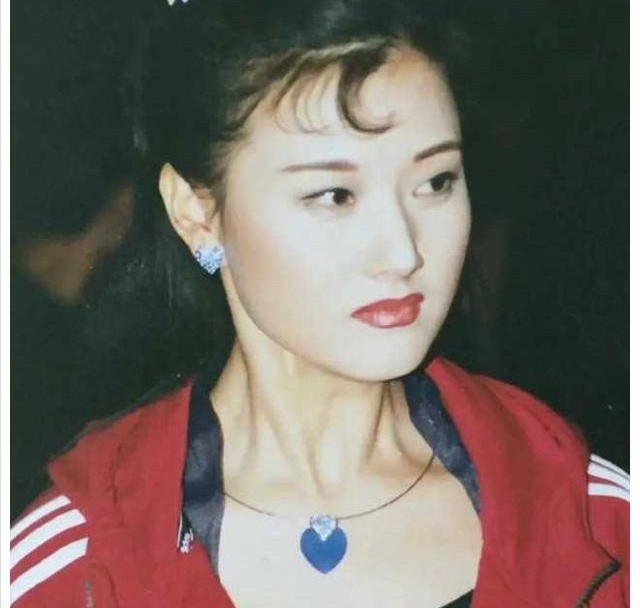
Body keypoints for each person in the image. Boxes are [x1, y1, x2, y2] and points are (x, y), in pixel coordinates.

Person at [9, 1, 629, 607]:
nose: (402, 252)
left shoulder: (594, 520)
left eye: (436, 181)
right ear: (196, 212)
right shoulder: (80, 567)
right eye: (335, 195)